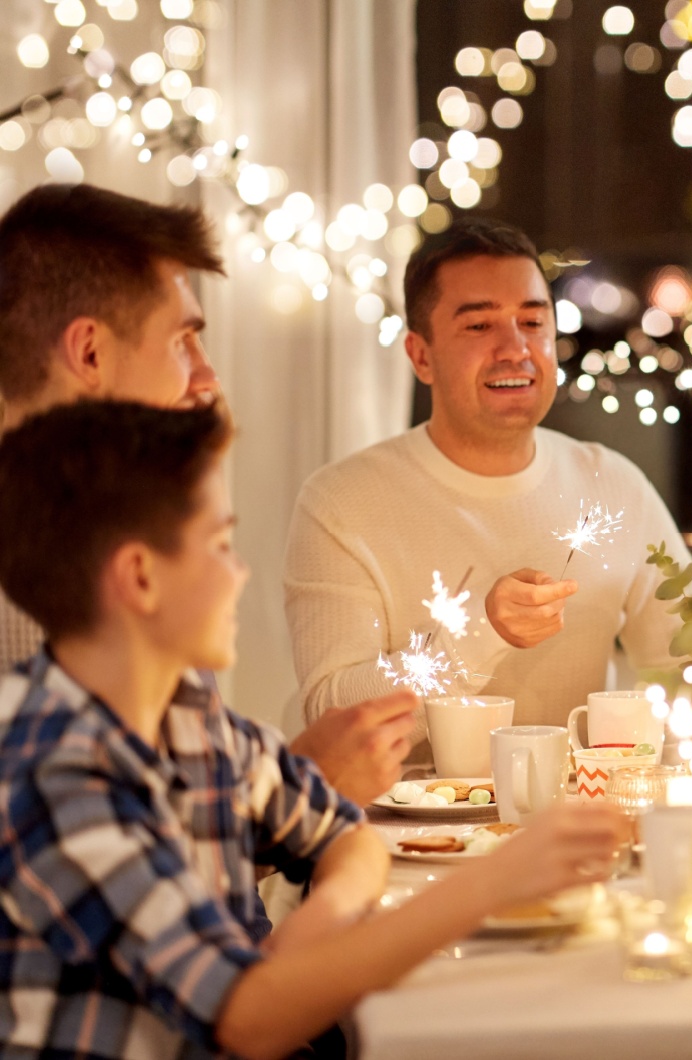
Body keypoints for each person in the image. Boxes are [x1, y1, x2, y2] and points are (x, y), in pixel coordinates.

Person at [0, 401, 628, 1059]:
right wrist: (494, 882)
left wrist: (298, 942)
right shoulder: (50, 766)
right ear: (139, 577)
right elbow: (247, 1020)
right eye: (220, 546)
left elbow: (340, 830)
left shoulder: (181, 712)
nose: (239, 574)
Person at [0, 182, 412, 806]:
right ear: (89, 352)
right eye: (180, 341)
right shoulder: (42, 573)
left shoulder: (132, 515)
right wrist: (308, 782)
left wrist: (291, 781)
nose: (207, 374)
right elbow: (115, 854)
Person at [285, 219, 692, 741]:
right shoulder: (343, 502)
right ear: (420, 355)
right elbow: (330, 716)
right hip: (403, 822)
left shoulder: (612, 484)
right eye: (479, 327)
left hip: (577, 814)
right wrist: (479, 634)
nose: (515, 349)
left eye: (532, 323)